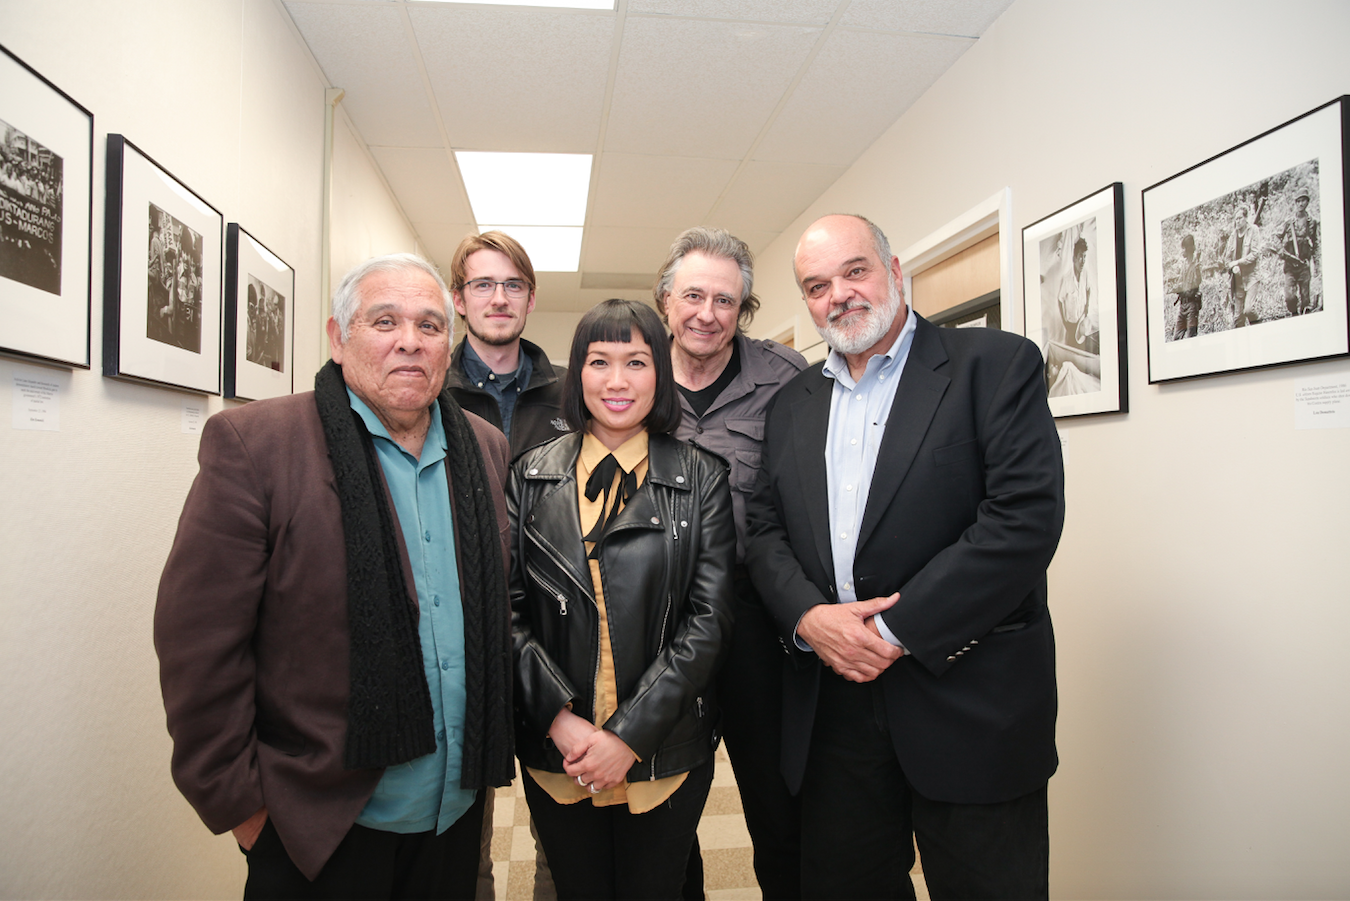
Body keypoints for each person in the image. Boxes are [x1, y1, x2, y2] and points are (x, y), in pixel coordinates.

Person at [155, 253, 516, 900]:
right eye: (384, 320)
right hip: (323, 829)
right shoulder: (258, 445)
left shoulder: (485, 446)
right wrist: (247, 816)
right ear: (337, 337)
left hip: (457, 814)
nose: (410, 340)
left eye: (430, 325)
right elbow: (200, 648)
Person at [745, 214, 1065, 900]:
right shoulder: (793, 403)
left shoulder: (995, 366)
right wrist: (808, 616)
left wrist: (892, 631)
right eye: (817, 285)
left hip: (968, 695)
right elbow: (764, 530)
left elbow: (1023, 520)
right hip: (836, 707)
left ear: (894, 272)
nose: (839, 295)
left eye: (855, 271)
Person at [509, 299, 734, 900]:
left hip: (665, 749)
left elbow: (708, 621)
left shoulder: (702, 476)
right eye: (598, 361)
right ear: (574, 373)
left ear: (659, 372)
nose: (615, 381)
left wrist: (628, 737)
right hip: (562, 749)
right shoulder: (527, 475)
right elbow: (506, 613)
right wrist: (559, 720)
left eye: (635, 362)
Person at [653, 226, 806, 899]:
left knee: (780, 809)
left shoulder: (788, 379)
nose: (706, 313)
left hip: (754, 621)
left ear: (743, 309)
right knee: (662, 813)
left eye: (725, 300)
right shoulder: (629, 371)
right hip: (654, 622)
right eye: (692, 294)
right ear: (665, 301)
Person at [446, 231, 571, 455]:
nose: (500, 299)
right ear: (459, 301)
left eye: (514, 286)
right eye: (483, 285)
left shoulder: (571, 390)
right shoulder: (434, 391)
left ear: (530, 300)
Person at [1273, 187, 1319, 316]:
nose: (1300, 204)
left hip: (1304, 265)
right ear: (1295, 203)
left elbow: (1316, 245)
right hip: (1290, 266)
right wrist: (1280, 250)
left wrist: (1317, 267)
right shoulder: (1289, 222)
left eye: (1303, 201)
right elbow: (1276, 236)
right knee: (1290, 298)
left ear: (1307, 202)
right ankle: (1294, 314)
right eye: (1298, 201)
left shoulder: (1312, 222)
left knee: (1306, 301)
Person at [1223, 204, 1264, 328]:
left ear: (1246, 218)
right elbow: (1227, 259)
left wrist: (1238, 262)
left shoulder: (1254, 230)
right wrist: (1232, 267)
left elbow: (1255, 254)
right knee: (1238, 319)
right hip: (1238, 280)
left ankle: (1259, 326)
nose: (1238, 221)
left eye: (1240, 218)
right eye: (1236, 219)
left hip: (1251, 277)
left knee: (1249, 310)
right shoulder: (1232, 236)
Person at [1057, 236, 1098, 354]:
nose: (1083, 260)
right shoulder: (1066, 279)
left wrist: (1086, 309)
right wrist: (1064, 322)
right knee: (1072, 354)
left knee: (1084, 353)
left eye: (1084, 256)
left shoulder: (1086, 274)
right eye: (1080, 257)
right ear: (1074, 258)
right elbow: (1060, 300)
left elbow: (1089, 289)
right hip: (1070, 324)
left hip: (1081, 322)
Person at [1168, 233, 1203, 340]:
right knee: (1176, 338)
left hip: (1192, 305)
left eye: (1184, 248)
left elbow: (1196, 282)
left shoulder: (1196, 265)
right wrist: (1174, 288)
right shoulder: (1184, 265)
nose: (1182, 251)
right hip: (1182, 305)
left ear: (1188, 249)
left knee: (1191, 338)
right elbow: (1181, 282)